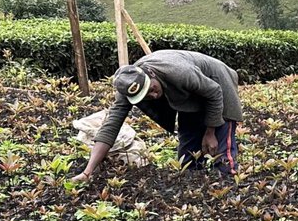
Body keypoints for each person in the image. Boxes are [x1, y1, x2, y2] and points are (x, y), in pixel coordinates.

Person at [78, 49, 243, 183]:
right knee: (188, 158)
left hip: (217, 83)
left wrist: (210, 132)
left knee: (221, 151)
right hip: (189, 95)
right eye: (146, 96)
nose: (154, 95)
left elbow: (214, 92)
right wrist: (87, 172)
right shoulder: (127, 87)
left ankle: (227, 183)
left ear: (151, 74)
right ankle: (196, 188)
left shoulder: (179, 72)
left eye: (152, 89)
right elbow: (111, 126)